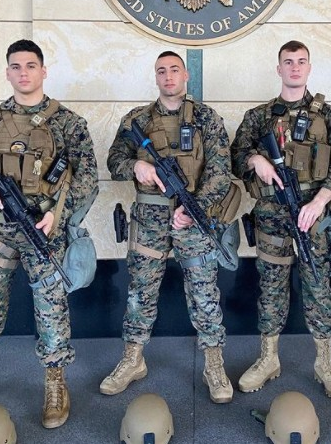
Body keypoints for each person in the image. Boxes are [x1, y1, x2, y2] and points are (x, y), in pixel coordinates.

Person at [0, 39, 98, 429]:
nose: (23, 72)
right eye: (16, 66)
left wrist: (57, 216)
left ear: (43, 71)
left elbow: (87, 180)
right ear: (7, 72)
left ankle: (55, 382)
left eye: (31, 65)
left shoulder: (68, 123)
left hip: (43, 232)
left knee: (51, 310)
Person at [101, 51, 236, 404]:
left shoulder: (206, 118)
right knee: (140, 291)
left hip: (193, 216)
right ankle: (133, 359)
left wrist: (195, 209)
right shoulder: (138, 120)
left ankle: (214, 363)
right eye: (161, 71)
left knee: (204, 292)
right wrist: (136, 166)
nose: (168, 76)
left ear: (186, 75)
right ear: (156, 77)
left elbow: (221, 171)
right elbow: (114, 160)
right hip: (149, 218)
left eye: (175, 70)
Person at [231, 40, 331, 400]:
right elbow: (236, 155)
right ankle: (268, 358)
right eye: (288, 62)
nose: (295, 67)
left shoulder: (329, 116)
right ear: (279, 69)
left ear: (309, 68)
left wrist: (319, 202)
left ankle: (325, 362)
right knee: (271, 288)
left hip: (312, 217)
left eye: (301, 61)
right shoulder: (258, 116)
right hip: (272, 216)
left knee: (318, 285)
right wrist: (255, 160)